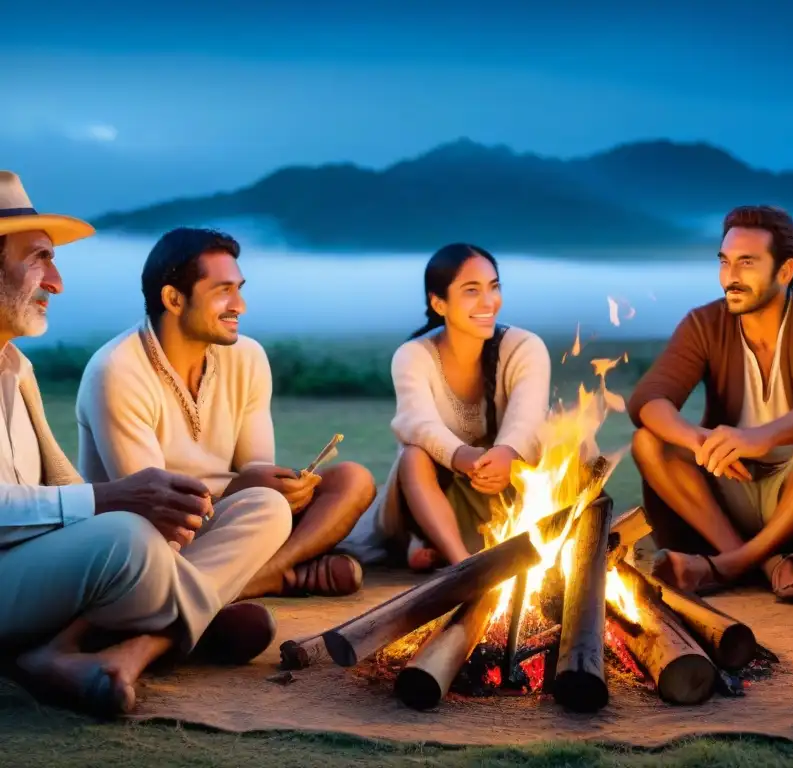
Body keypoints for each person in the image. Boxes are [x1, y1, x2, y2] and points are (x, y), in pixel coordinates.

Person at [0, 171, 293, 718]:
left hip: (42, 566)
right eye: (39, 258)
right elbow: (91, 501)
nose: (56, 282)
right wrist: (109, 500)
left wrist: (113, 503)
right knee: (131, 537)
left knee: (266, 507)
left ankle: (128, 640)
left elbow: (60, 482)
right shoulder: (116, 368)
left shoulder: (17, 368)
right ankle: (196, 621)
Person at [75, 227, 376, 599]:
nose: (240, 306)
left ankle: (263, 575)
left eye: (239, 288)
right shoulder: (116, 371)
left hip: (241, 518)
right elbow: (155, 509)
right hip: (157, 537)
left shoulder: (247, 357)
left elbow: (256, 469)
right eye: (223, 291)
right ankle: (280, 578)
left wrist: (285, 487)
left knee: (351, 479)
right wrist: (248, 488)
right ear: (173, 298)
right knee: (258, 511)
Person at [629, 205, 793, 603]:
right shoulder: (704, 323)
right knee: (649, 441)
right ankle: (763, 563)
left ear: (785, 271)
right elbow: (649, 398)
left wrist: (761, 437)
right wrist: (697, 441)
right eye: (725, 262)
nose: (731, 277)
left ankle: (726, 567)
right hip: (727, 485)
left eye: (747, 263)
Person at [338, 243, 551, 570]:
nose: (488, 302)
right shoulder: (413, 356)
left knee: (569, 444)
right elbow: (417, 424)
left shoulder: (524, 347)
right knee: (413, 455)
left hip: (508, 486)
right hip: (435, 496)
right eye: (471, 291)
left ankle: (440, 546)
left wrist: (507, 453)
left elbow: (529, 415)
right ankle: (460, 565)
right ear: (439, 303)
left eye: (494, 287)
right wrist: (465, 458)